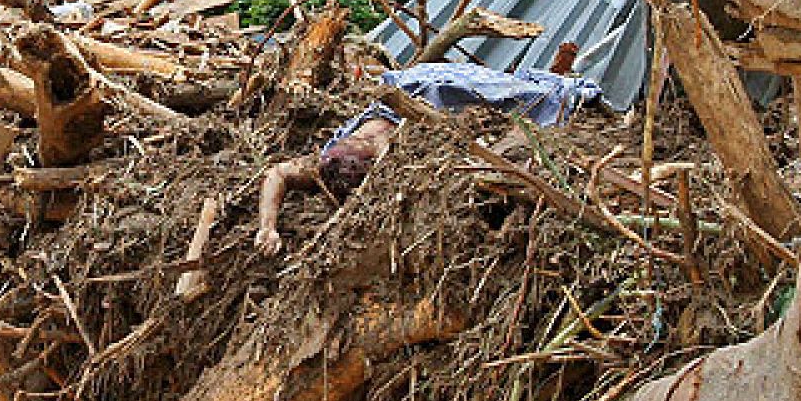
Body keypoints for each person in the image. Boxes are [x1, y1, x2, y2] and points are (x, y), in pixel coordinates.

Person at [255, 62, 602, 256]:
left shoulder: (379, 150)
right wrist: (266, 227)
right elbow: (276, 174)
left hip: (421, 92)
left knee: (512, 96)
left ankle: (560, 95)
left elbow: (279, 174)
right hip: (411, 100)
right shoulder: (325, 163)